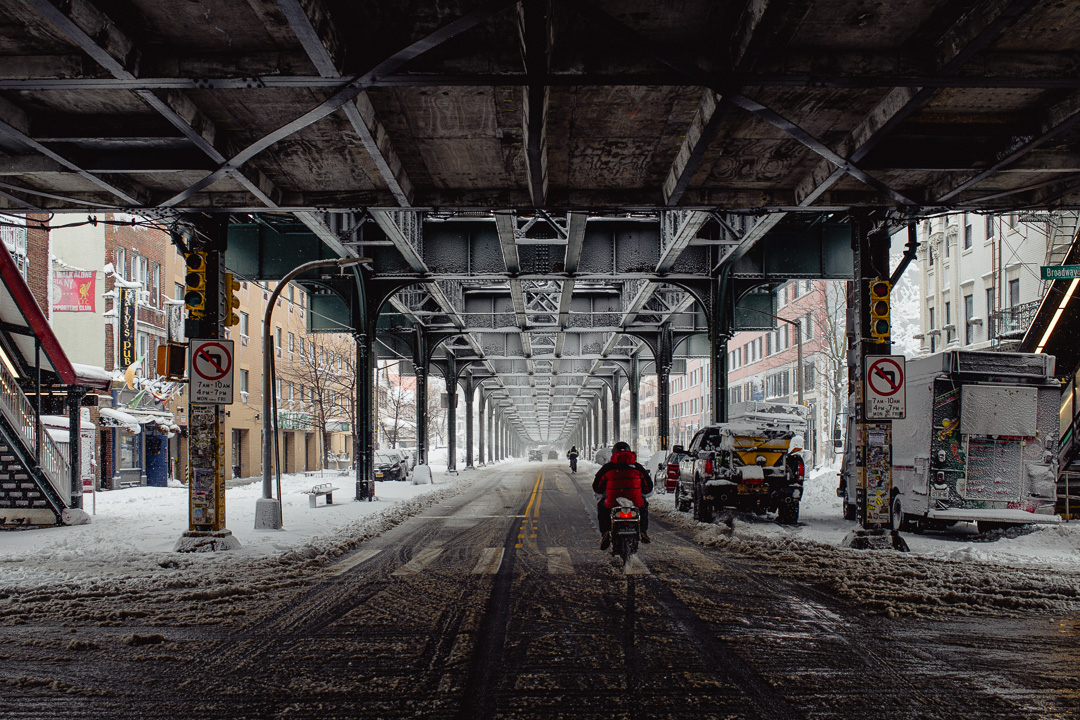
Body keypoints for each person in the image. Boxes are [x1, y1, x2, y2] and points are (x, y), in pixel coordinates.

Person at [592, 441, 653, 549]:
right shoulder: (637, 467)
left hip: (613, 502)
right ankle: (643, 531)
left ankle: (606, 532)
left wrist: (602, 491)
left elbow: (597, 486)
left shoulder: (608, 468)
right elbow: (648, 487)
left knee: (602, 507)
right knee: (643, 506)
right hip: (635, 502)